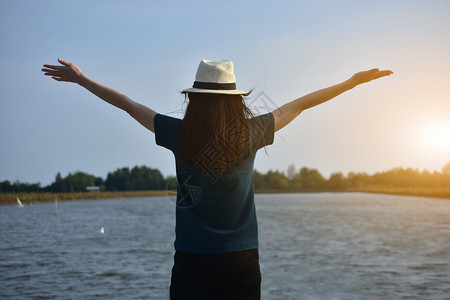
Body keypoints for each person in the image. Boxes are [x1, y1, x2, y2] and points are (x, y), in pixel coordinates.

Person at [42, 58, 392, 299]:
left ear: (195, 99)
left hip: (192, 260)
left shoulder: (177, 133)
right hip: (241, 260)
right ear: (233, 101)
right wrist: (351, 83)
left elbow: (126, 103)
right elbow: (300, 104)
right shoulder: (252, 132)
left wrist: (82, 79)